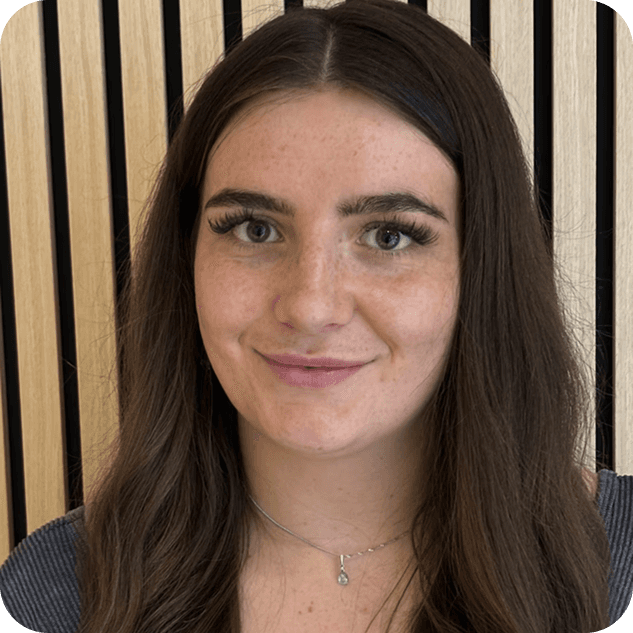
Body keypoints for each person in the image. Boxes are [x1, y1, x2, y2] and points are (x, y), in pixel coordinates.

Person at [1, 1, 631, 632]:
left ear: (482, 267)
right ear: (185, 258)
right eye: (254, 228)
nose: (310, 306)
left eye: (388, 236)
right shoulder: (50, 596)